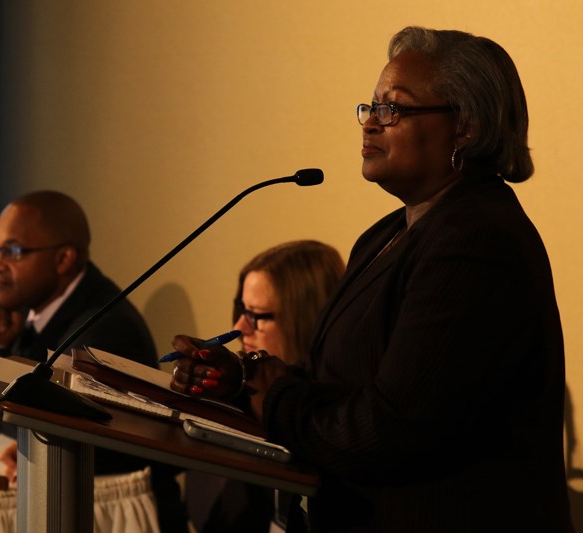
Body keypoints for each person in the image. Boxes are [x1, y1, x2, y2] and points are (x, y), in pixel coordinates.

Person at [169, 27, 573, 531]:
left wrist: (274, 398)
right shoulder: (389, 234)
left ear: (465, 127)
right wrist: (241, 381)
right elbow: (339, 389)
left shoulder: (477, 241)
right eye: (370, 107)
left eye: (393, 109)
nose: (370, 125)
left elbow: (393, 429)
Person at [0, 190, 188, 533]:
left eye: (12, 251)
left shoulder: (102, 325)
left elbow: (49, 416)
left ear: (63, 259)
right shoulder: (34, 310)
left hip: (116, 516)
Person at [186, 240, 345, 533]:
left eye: (256, 316)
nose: (239, 327)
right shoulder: (246, 395)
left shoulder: (330, 418)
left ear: (303, 317)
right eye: (241, 310)